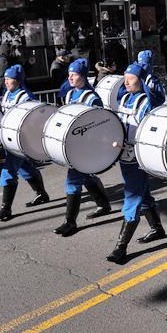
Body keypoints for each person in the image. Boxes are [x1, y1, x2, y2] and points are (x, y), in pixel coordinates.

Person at [107, 63, 167, 264]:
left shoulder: (146, 102)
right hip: (124, 155)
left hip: (137, 157)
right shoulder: (124, 97)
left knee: (132, 198)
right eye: (125, 77)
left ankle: (120, 247)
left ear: (140, 81)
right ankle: (157, 228)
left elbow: (152, 129)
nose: (126, 81)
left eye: (130, 78)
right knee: (142, 192)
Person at [54, 59, 112, 237]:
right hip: (74, 144)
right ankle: (104, 204)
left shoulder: (92, 98)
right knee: (86, 176)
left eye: (74, 74)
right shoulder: (71, 94)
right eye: (69, 74)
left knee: (72, 181)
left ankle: (69, 222)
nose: (70, 78)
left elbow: (99, 124)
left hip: (85, 147)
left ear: (83, 76)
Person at [0, 65, 49, 221]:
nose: (6, 82)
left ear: (18, 81)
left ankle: (5, 209)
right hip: (9, 138)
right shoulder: (7, 94)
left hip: (21, 140)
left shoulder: (25, 97)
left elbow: (34, 119)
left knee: (8, 170)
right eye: (6, 78)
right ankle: (42, 194)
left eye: (10, 79)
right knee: (24, 167)